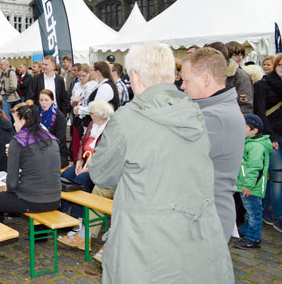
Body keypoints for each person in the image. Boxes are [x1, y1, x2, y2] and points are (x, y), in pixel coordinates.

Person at [89, 43, 234, 283]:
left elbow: (102, 175)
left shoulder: (129, 119)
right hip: (193, 232)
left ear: (134, 76)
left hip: (144, 239)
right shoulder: (194, 112)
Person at [181, 47, 245, 240]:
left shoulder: (215, 117)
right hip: (199, 216)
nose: (182, 86)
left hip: (203, 223)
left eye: (186, 80)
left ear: (207, 79)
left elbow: (169, 159)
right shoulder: (212, 110)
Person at [0, 102, 61, 222]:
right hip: (55, 199)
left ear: (23, 121)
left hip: (31, 200)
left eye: (15, 121)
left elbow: (12, 184)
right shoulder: (51, 139)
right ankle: (39, 239)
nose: (13, 124)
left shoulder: (18, 141)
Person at [59, 100, 114, 250]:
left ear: (98, 114)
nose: (89, 115)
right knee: (66, 176)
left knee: (81, 180)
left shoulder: (110, 128)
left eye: (91, 113)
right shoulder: (91, 125)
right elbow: (83, 144)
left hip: (99, 168)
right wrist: (78, 160)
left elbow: (105, 154)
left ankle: (78, 219)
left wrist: (89, 168)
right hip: (85, 162)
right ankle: (62, 215)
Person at [234, 114, 272, 249]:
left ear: (254, 130)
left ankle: (253, 239)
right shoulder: (250, 143)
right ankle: (246, 231)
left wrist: (248, 185)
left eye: (244, 127)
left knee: (254, 213)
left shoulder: (255, 146)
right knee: (250, 211)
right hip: (247, 185)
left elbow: (256, 168)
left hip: (251, 188)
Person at [253, 54, 282, 230]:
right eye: (280, 65)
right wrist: (270, 137)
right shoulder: (262, 85)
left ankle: (266, 209)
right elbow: (261, 112)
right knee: (277, 175)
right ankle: (278, 216)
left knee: (277, 177)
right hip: (273, 136)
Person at [208, 42, 253, 114]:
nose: (240, 57)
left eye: (242, 55)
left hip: (231, 119)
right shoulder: (207, 73)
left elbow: (245, 107)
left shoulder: (241, 76)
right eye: (236, 55)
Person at [74, 61, 119, 127]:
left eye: (92, 70)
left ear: (98, 72)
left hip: (105, 126)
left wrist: (79, 109)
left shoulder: (105, 87)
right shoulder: (102, 85)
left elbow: (96, 108)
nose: (90, 73)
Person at [38, 89, 68, 168]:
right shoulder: (38, 114)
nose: (43, 103)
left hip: (57, 152)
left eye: (46, 100)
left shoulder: (59, 117)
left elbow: (60, 140)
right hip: (39, 149)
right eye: (41, 100)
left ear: (52, 101)